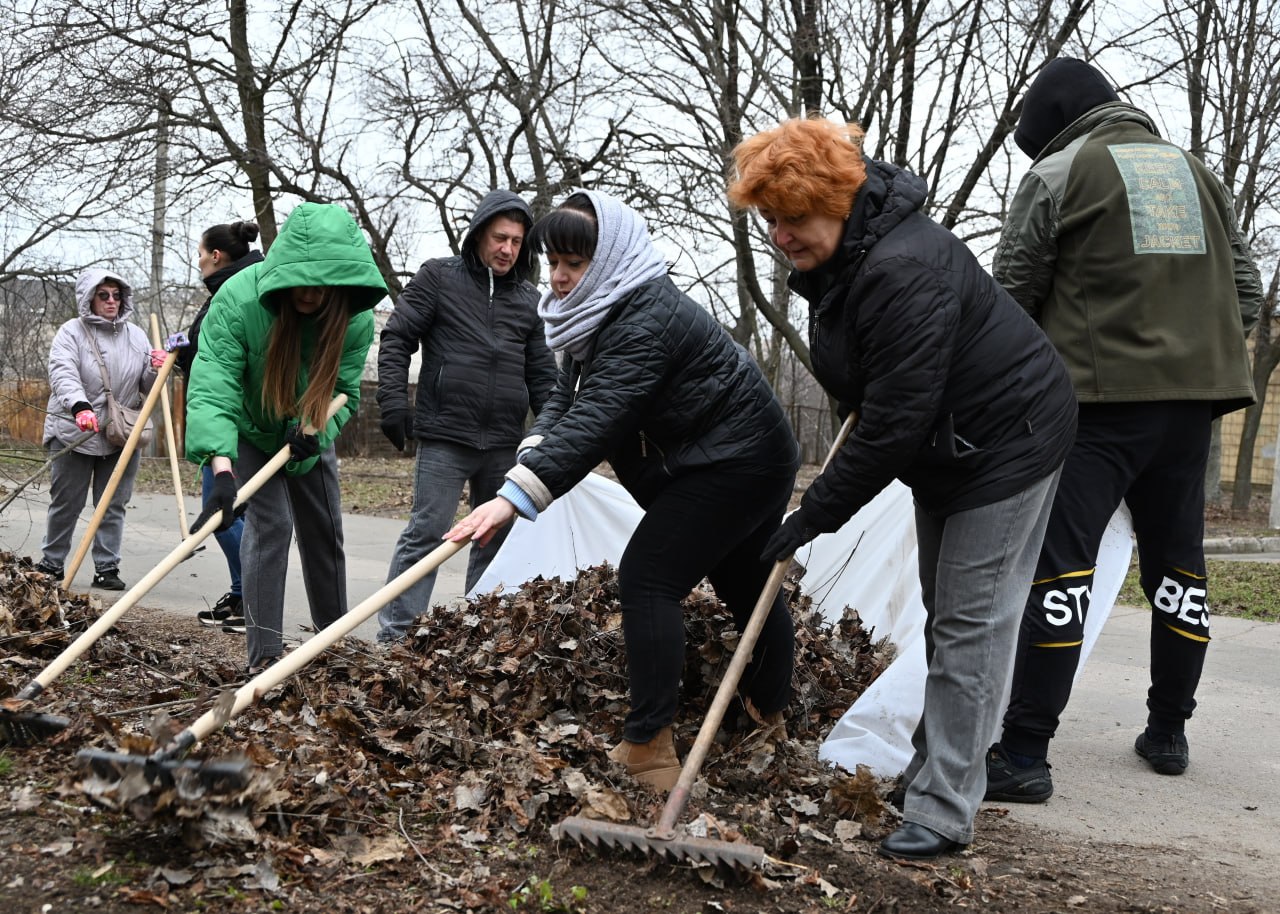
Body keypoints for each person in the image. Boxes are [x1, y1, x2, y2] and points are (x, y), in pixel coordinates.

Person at [726, 117, 1078, 861]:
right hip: (946, 447)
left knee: (972, 624)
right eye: (771, 221)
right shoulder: (845, 261)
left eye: (792, 219)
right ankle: (932, 772)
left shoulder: (902, 268)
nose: (780, 237)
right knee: (946, 615)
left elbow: (891, 424)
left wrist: (816, 512)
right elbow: (878, 388)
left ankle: (944, 809)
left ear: (834, 202)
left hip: (1007, 442)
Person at [445, 189, 801, 791]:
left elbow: (600, 415)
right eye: (553, 262)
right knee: (743, 583)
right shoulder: (597, 312)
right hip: (726, 457)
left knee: (649, 578)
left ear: (608, 259)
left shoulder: (644, 317)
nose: (559, 277)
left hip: (737, 462)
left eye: (574, 263)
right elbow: (567, 396)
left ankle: (649, 748)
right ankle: (768, 715)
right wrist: (532, 455)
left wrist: (511, 499)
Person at [984, 58, 1261, 800]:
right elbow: (1247, 288)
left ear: (1053, 129)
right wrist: (1195, 357)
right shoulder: (1198, 173)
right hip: (1192, 410)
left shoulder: (1058, 174)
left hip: (1094, 409)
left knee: (1062, 571)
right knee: (1179, 570)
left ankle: (1025, 753)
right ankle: (1168, 732)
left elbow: (1011, 298)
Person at [185, 202, 386, 674]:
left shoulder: (353, 317)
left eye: (323, 282)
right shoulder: (239, 299)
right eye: (301, 279)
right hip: (252, 427)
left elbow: (344, 391)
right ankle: (263, 660)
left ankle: (332, 646)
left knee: (324, 529)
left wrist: (317, 429)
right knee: (270, 526)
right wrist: (221, 469)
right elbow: (214, 385)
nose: (311, 292)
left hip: (309, 427)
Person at [375, 190, 556, 645]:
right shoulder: (438, 277)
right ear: (478, 235)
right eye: (499, 238)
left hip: (504, 443)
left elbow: (544, 379)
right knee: (427, 534)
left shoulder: (530, 300)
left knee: (494, 539)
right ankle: (397, 638)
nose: (507, 249)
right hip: (445, 435)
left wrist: (552, 438)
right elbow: (397, 337)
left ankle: (477, 640)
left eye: (516, 241)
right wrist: (393, 400)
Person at [36, 269, 165, 590]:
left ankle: (107, 567)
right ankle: (52, 562)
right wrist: (79, 407)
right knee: (67, 501)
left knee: (113, 503)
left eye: (116, 296)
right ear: (89, 298)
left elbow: (147, 386)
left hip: (121, 432)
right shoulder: (71, 332)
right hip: (75, 430)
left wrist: (156, 368)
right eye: (103, 295)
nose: (111, 301)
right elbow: (62, 372)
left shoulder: (136, 335)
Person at [176, 220, 264, 633]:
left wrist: (188, 357)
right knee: (229, 512)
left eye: (199, 254)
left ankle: (253, 598)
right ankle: (243, 592)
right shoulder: (232, 288)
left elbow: (230, 363)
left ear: (215, 256)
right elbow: (212, 355)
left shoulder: (234, 292)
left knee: (223, 512)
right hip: (230, 418)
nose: (198, 262)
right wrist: (182, 356)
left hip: (236, 420)